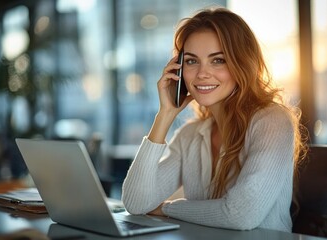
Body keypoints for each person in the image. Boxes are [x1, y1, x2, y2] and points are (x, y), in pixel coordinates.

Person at [122, 6, 307, 232]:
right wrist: (165, 115)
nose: (202, 73)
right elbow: (135, 202)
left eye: (218, 60)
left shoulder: (273, 121)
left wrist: (168, 209)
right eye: (191, 61)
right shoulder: (190, 135)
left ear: (242, 64)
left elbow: (241, 215)